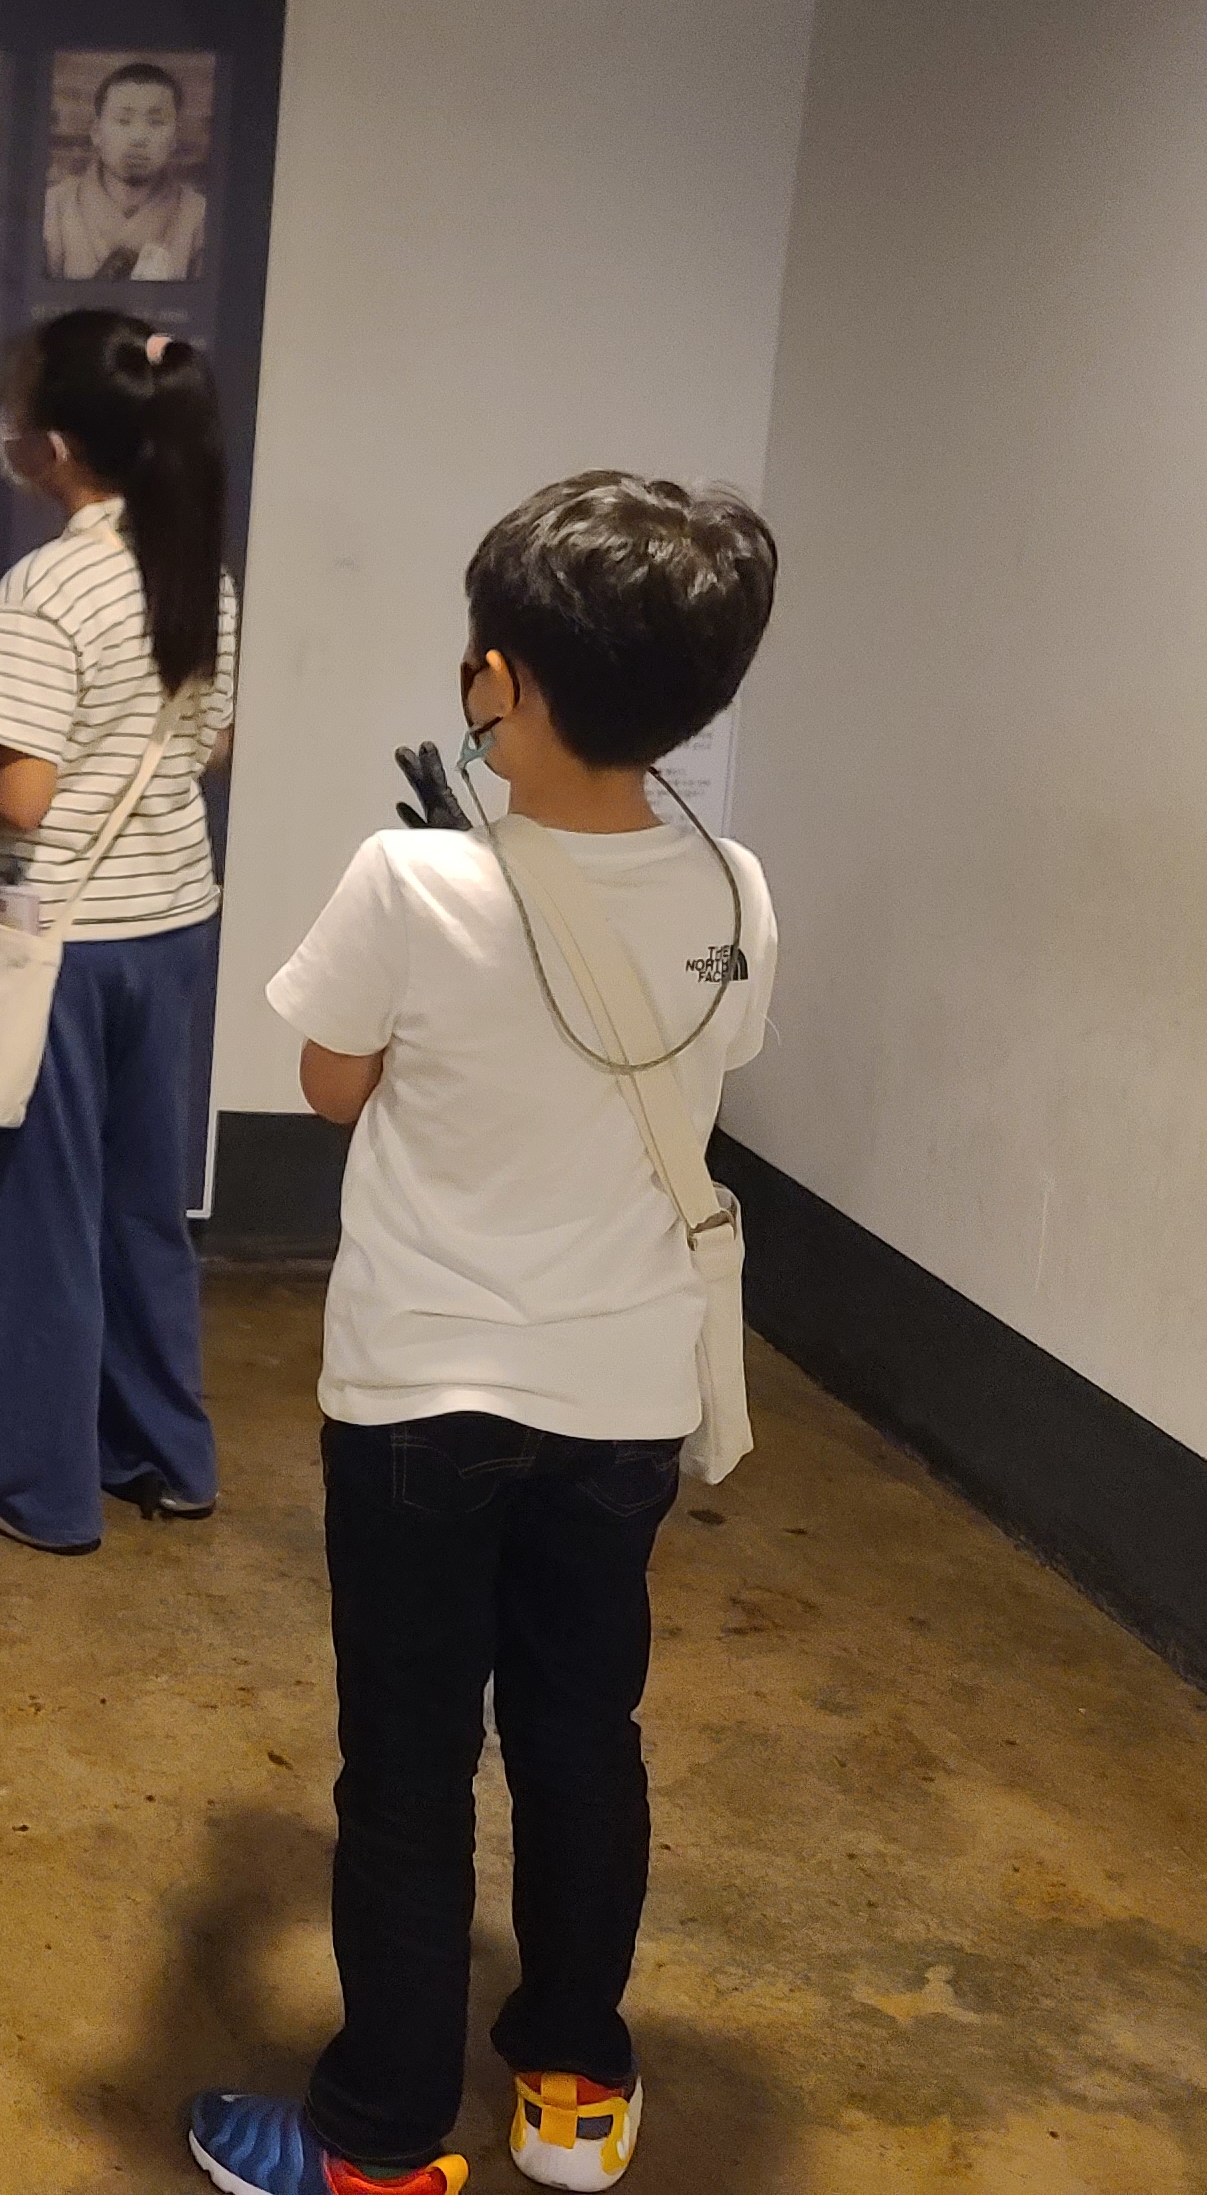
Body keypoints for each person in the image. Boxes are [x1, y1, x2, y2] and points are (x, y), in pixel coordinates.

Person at [182, 473, 779, 2195]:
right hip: (625, 1398)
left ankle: (377, 2136)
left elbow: (330, 1083)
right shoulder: (736, 887)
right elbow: (706, 1072)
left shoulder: (409, 876)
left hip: (419, 1397)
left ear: (497, 681)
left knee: (411, 1768)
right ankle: (575, 2090)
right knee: (587, 1735)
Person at [0, 311, 239, 1555]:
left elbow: (20, 796)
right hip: (172, 919)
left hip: (61, 935)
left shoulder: (47, 585)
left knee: (34, 1212)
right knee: (141, 1203)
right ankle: (163, 1453)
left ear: (49, 444)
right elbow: (211, 744)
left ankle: (29, 1482)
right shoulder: (193, 563)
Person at [46, 59, 210, 281]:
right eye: (123, 121)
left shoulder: (200, 216)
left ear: (174, 137)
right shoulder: (53, 207)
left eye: (156, 122)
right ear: (96, 133)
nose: (138, 137)